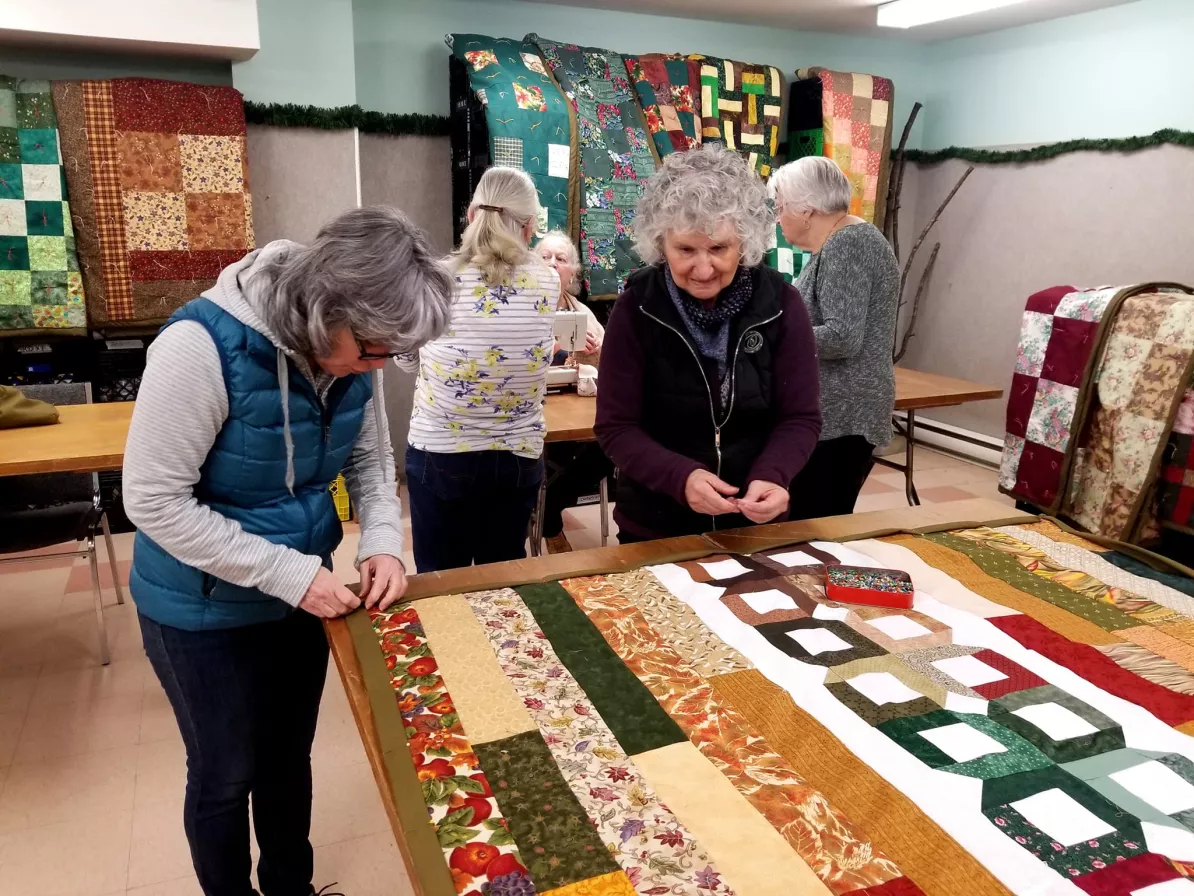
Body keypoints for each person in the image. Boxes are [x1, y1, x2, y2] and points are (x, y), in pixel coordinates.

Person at [121, 206, 454, 896]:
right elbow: (153, 503)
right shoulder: (197, 347)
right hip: (199, 610)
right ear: (323, 310)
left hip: (302, 597)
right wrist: (291, 575)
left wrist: (387, 546)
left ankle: (291, 890)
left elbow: (370, 467)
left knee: (285, 759)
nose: (379, 366)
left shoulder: (355, 355)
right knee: (224, 772)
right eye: (372, 351)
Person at [596, 144, 822, 542]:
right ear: (660, 243)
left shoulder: (782, 304)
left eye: (719, 248)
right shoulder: (637, 308)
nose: (703, 268)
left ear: (746, 243)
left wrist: (774, 475)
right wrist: (680, 478)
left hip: (755, 524)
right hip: (657, 524)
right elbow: (617, 427)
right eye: (685, 249)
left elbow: (800, 418)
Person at [402, 167, 558, 571]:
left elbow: (403, 356)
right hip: (515, 456)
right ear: (528, 228)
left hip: (440, 450)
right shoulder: (547, 280)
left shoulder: (436, 277)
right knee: (502, 577)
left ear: (471, 216)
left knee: (439, 581)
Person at [772, 156, 900, 519]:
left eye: (781, 208)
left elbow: (843, 337)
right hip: (838, 409)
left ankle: (815, 578)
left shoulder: (849, 244)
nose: (779, 219)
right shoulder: (840, 242)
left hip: (845, 412)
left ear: (807, 210)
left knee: (815, 522)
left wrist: (773, 334)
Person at [536, 230, 612, 553]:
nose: (553, 264)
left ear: (572, 273)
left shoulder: (581, 312)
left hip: (573, 410)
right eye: (546, 257)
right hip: (533, 412)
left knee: (609, 446)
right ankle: (548, 520)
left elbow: (614, 365)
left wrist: (596, 351)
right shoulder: (520, 308)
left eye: (562, 259)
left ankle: (548, 509)